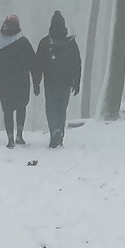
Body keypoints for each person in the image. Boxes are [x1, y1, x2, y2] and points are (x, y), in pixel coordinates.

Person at [0, 14, 39, 147]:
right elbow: (33, 63)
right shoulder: (23, 42)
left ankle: (10, 138)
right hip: (21, 81)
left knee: (7, 110)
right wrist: (36, 83)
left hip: (4, 83)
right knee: (21, 107)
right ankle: (19, 135)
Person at [35, 11, 82, 148]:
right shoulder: (71, 43)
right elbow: (77, 63)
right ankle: (60, 132)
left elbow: (38, 64)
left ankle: (54, 131)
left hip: (50, 81)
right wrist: (77, 82)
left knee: (51, 108)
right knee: (62, 108)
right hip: (66, 81)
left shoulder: (45, 43)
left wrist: (37, 82)